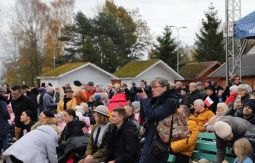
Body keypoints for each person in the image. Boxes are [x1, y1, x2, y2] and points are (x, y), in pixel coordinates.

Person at [139, 77, 177, 163]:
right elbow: (144, 116)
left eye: (155, 87)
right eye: (151, 87)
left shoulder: (169, 101)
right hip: (150, 139)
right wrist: (146, 99)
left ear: (164, 88)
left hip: (159, 143)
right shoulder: (156, 101)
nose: (152, 89)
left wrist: (145, 100)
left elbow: (152, 115)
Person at [0, 86, 10, 153]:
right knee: (5, 140)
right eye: (4, 93)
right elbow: (5, 113)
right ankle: (5, 156)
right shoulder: (2, 102)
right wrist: (9, 117)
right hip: (2, 124)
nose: (5, 95)